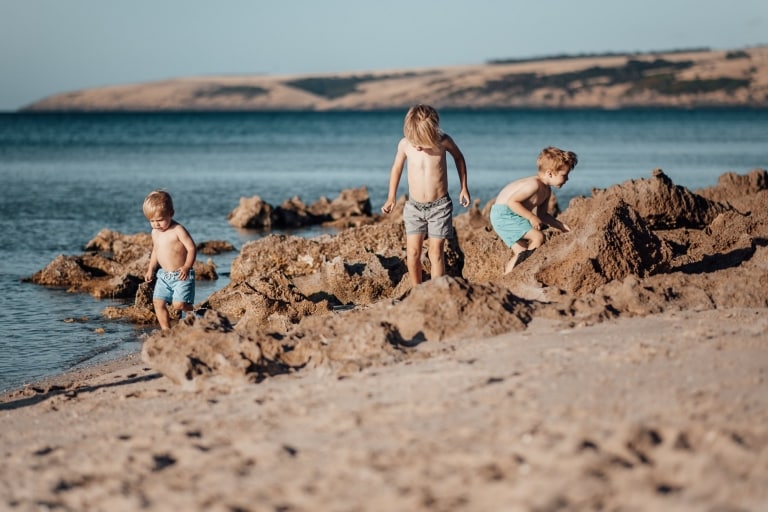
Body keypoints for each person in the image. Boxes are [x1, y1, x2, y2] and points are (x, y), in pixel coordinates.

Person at [381, 104, 470, 285]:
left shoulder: (443, 141)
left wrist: (464, 188)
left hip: (440, 206)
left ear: (431, 134)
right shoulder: (405, 144)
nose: (416, 145)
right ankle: (416, 291)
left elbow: (459, 158)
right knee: (413, 253)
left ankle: (437, 290)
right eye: (413, 140)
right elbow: (396, 168)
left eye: (420, 141)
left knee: (435, 252)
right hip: (414, 207)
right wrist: (391, 197)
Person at [490, 146, 578, 274]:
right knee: (538, 237)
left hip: (511, 214)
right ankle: (522, 272)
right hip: (504, 214)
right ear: (550, 173)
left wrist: (561, 226)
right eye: (564, 175)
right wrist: (531, 217)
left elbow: (542, 215)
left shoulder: (547, 191)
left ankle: (507, 278)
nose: (567, 179)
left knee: (522, 252)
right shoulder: (534, 185)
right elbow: (512, 202)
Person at [143, 190, 197, 330]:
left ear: (171, 213)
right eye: (152, 221)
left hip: (181, 275)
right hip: (164, 276)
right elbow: (156, 250)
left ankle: (195, 314)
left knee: (178, 305)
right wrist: (150, 269)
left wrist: (186, 266)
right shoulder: (155, 232)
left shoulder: (178, 230)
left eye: (160, 220)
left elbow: (191, 248)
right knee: (157, 302)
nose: (156, 224)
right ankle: (166, 332)